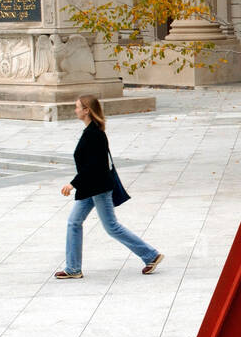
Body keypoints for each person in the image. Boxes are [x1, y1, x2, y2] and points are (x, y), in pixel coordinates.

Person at [55, 95, 163, 278]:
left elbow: (94, 166)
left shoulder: (94, 134)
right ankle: (73, 269)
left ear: (87, 110)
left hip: (99, 188)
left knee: (111, 227)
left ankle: (151, 255)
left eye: (77, 107)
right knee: (74, 222)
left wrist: (73, 183)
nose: (75, 110)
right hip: (91, 188)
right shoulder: (91, 131)